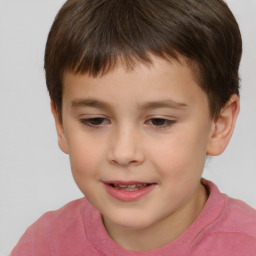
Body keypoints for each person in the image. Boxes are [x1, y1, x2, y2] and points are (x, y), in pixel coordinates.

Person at [10, 0, 256, 255]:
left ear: (218, 125)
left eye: (159, 121)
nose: (124, 153)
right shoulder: (43, 245)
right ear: (60, 123)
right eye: (95, 120)